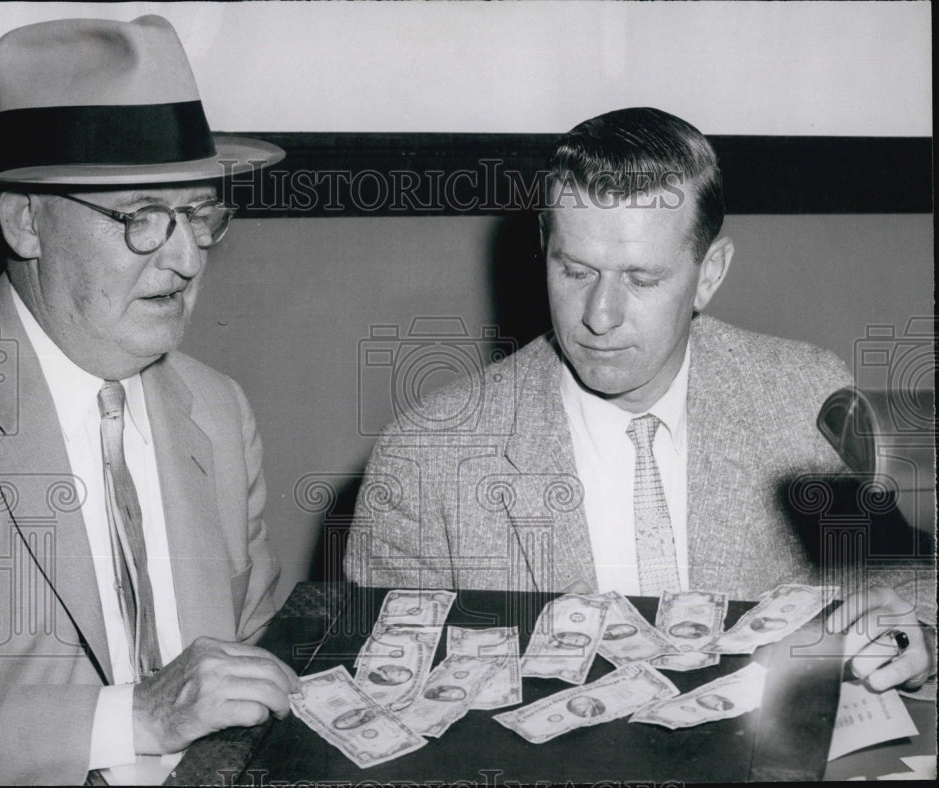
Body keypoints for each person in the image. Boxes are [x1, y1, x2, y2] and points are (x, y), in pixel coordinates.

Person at [343, 107, 935, 697]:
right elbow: (381, 687)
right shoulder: (426, 451)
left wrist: (916, 638)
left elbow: (908, 592)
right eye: (575, 271)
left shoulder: (808, 400)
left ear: (710, 273)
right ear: (544, 247)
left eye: (642, 280)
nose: (600, 317)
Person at [0, 16, 297, 784]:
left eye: (201, 215)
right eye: (142, 216)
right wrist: (137, 715)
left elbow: (258, 657)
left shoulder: (217, 410)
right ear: (26, 221)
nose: (185, 257)